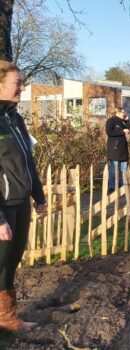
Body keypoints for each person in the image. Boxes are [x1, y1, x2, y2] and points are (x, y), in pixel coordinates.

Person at [0, 60, 47, 331]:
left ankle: (6, 318)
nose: (22, 87)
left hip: (21, 203)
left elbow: (28, 159)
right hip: (3, 205)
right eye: (17, 82)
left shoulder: (14, 118)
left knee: (11, 261)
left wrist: (38, 195)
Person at [106, 106, 130, 192]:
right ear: (118, 112)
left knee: (124, 168)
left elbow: (128, 130)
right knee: (114, 168)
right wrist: (122, 132)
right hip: (114, 149)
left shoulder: (123, 121)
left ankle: (123, 186)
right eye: (123, 112)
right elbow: (109, 132)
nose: (124, 113)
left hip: (123, 149)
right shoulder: (111, 121)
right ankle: (112, 186)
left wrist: (127, 121)